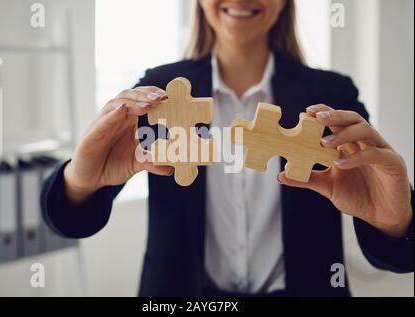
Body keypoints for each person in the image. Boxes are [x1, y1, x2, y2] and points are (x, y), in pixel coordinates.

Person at [41, 0, 414, 297]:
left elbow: (400, 253)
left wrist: (397, 223)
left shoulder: (332, 95)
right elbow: (68, 221)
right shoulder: (159, 92)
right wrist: (80, 182)